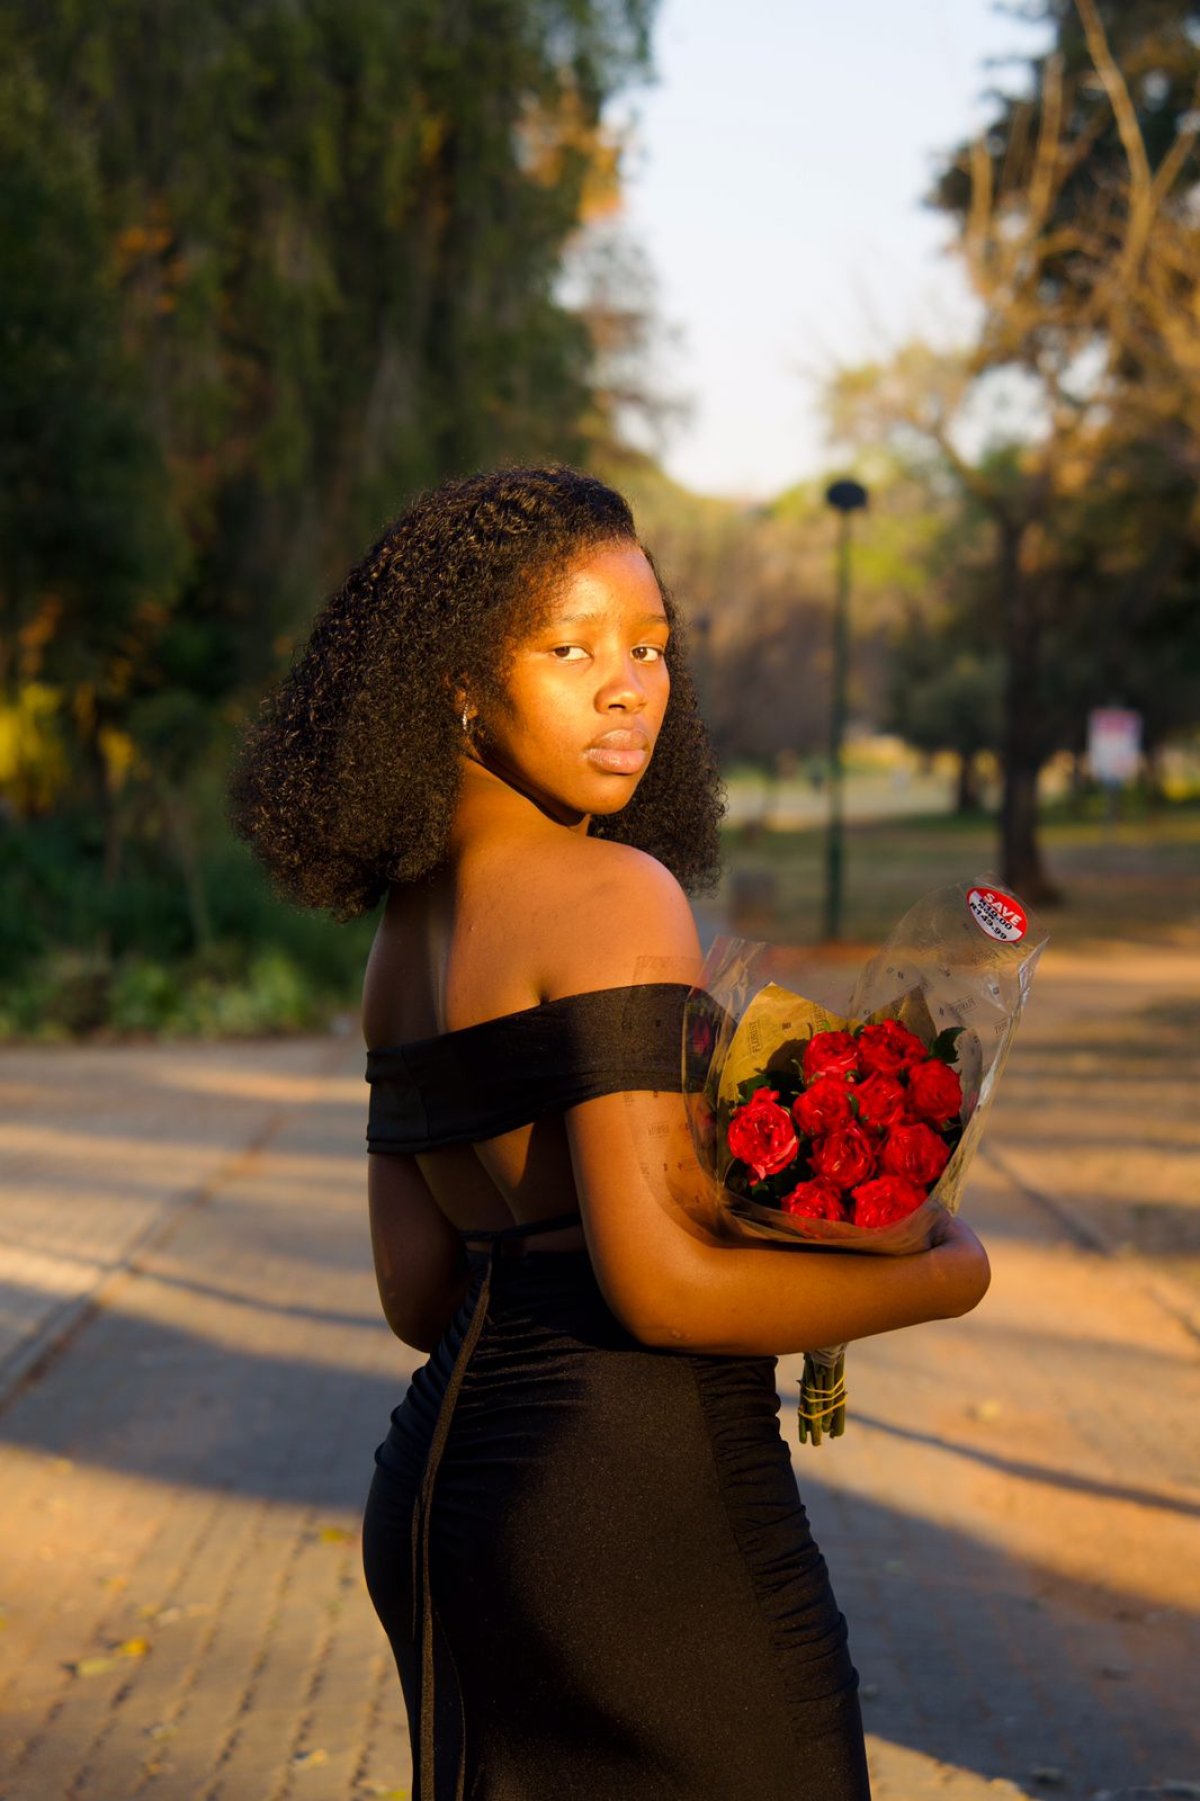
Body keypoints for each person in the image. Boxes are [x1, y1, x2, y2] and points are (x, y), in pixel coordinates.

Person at [227, 464, 991, 1800]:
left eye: (650, 648)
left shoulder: (397, 946)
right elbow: (658, 1281)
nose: (629, 684)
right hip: (635, 1515)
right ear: (460, 680)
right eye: (571, 648)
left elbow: (419, 1294)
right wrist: (938, 1266)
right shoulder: (612, 892)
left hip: (443, 1501)